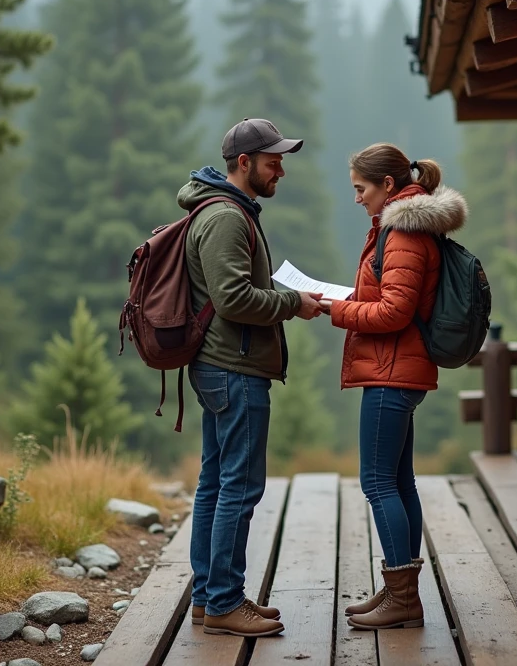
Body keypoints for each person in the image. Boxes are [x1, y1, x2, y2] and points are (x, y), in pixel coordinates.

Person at [177, 118, 324, 638]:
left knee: (216, 485)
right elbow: (235, 299)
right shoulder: (225, 217)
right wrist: (295, 302)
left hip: (222, 367)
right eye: (273, 159)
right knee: (237, 488)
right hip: (232, 369)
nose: (281, 168)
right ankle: (222, 602)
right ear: (245, 163)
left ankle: (210, 596)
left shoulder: (226, 210)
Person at [320, 143, 467, 630]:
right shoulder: (406, 226)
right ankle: (400, 588)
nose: (357, 199)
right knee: (400, 481)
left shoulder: (402, 231)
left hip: (391, 372)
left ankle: (403, 597)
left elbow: (393, 312)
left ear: (387, 186)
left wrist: (332, 308)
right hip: (399, 369)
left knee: (378, 482)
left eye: (360, 189)